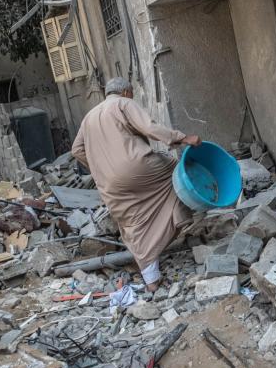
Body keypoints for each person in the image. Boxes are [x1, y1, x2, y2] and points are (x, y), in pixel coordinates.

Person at [72, 78, 201, 292]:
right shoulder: (122, 104)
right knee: (176, 170)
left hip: (109, 182)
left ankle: (151, 279)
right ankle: (181, 217)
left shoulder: (88, 117)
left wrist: (99, 168)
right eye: (131, 93)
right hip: (138, 167)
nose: (132, 97)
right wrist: (183, 138)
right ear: (125, 91)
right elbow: (149, 127)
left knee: (134, 221)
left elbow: (76, 150)